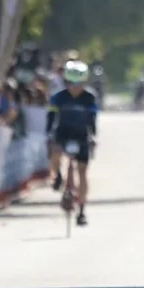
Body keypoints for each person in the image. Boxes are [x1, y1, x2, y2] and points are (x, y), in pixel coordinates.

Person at [46, 59, 98, 226]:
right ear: (66, 82)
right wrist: (48, 134)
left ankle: (82, 209)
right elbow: (51, 118)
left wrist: (94, 137)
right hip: (63, 134)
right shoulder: (58, 98)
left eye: (79, 83)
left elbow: (93, 120)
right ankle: (58, 176)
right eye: (71, 83)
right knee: (54, 152)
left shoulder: (90, 98)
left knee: (82, 172)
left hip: (82, 135)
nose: (75, 87)